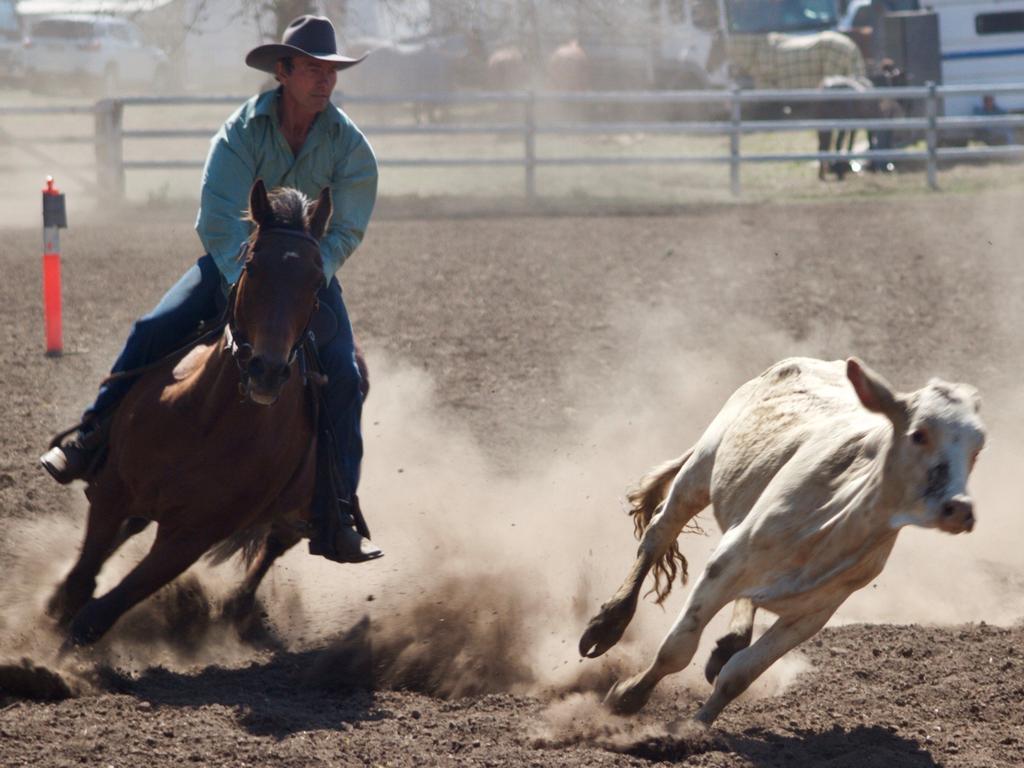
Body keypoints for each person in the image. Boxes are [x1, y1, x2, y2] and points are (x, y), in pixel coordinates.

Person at [40, 15, 382, 564]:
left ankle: (336, 510)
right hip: (233, 267)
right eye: (314, 69)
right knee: (152, 329)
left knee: (344, 373)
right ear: (285, 71)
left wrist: (304, 274)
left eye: (331, 71)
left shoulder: (350, 147)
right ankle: (91, 436)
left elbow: (347, 229)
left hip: (301, 281)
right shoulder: (242, 131)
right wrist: (242, 280)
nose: (325, 80)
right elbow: (218, 219)